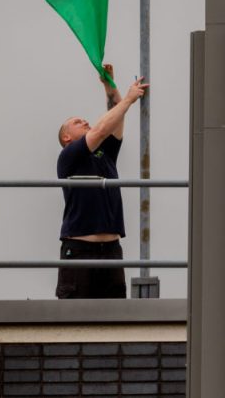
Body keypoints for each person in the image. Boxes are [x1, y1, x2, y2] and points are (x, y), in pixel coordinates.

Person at [55, 65, 148, 299]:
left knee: (114, 319)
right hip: (80, 251)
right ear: (67, 137)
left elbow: (114, 122)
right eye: (77, 122)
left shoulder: (104, 154)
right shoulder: (69, 155)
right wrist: (127, 99)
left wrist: (110, 87)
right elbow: (100, 130)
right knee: (75, 319)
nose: (84, 121)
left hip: (111, 251)